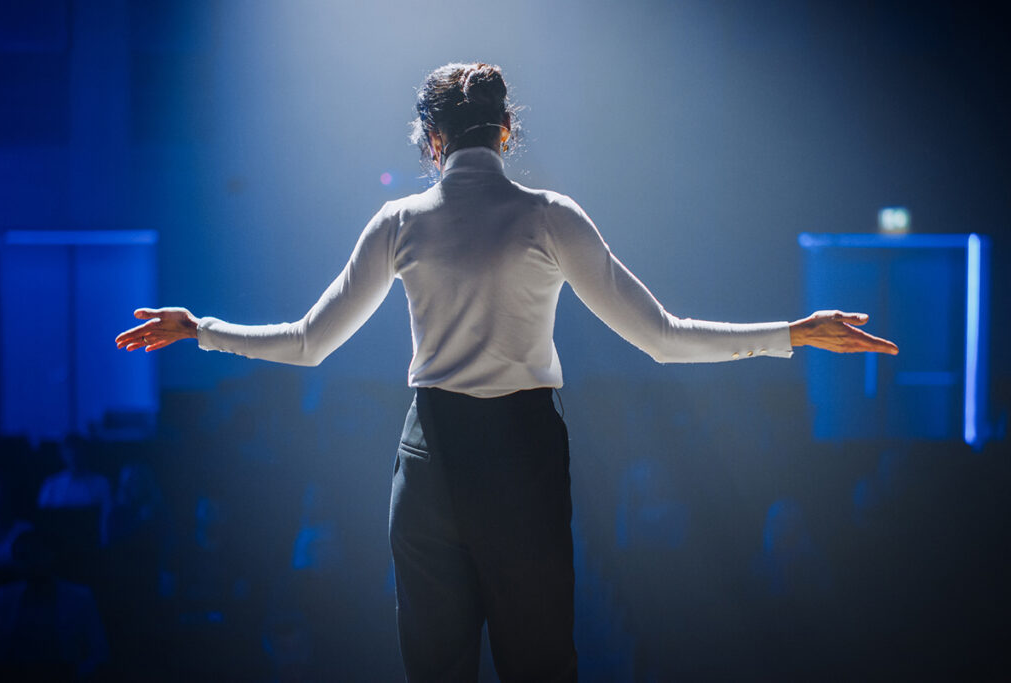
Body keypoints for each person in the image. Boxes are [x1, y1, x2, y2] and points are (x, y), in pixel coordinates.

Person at [115, 62, 898, 682]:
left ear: (430, 141)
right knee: (541, 667)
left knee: (436, 671)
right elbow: (663, 337)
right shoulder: (548, 215)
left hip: (429, 459)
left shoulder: (399, 223)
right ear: (506, 128)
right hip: (521, 454)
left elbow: (310, 342)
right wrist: (793, 333)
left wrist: (202, 330)